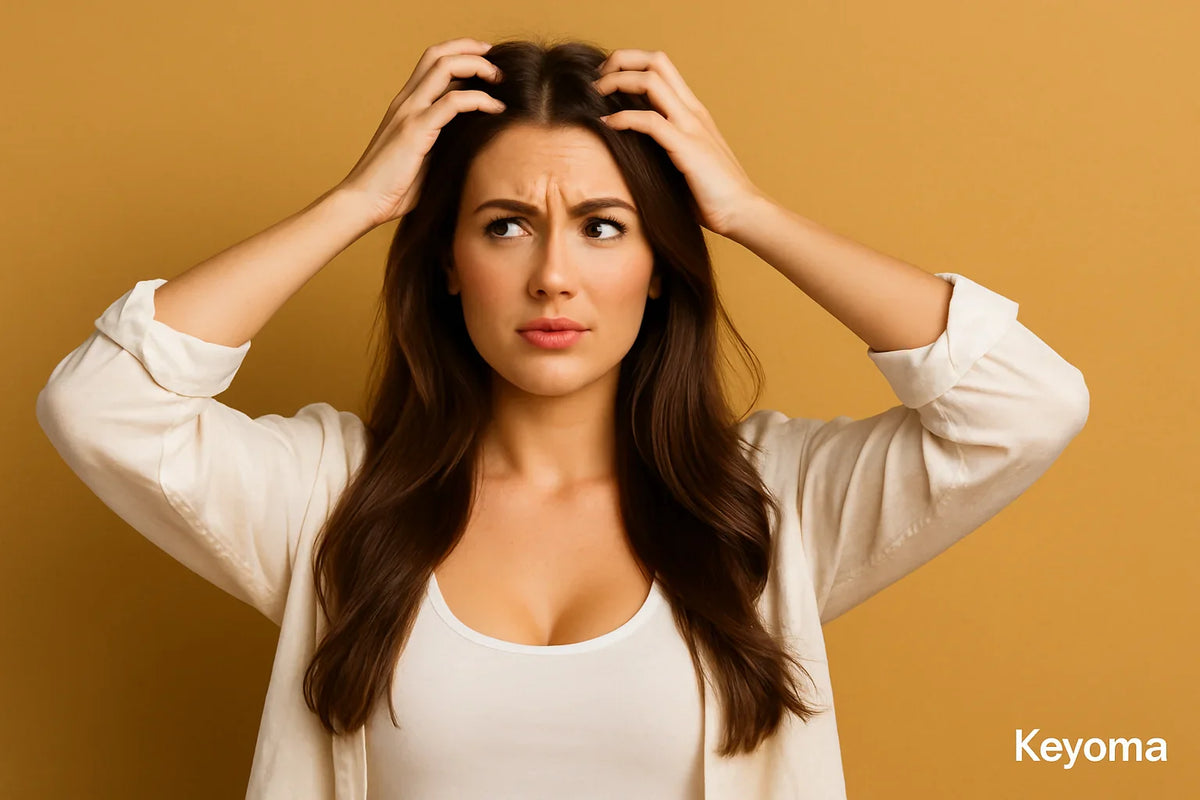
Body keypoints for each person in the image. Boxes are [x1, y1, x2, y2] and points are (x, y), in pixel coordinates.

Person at [35, 36, 1089, 800]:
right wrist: (357, 201)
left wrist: (748, 212)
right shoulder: (333, 502)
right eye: (504, 225)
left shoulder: (769, 509)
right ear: (448, 262)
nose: (553, 276)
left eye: (600, 226)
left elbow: (1026, 404)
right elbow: (102, 403)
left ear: (658, 265)